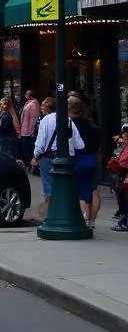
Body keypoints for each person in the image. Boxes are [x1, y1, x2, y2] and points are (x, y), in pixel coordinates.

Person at [31, 96, 85, 223]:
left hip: (48, 157)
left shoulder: (45, 120)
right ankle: (64, 214)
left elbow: (40, 142)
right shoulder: (68, 120)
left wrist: (35, 156)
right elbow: (80, 144)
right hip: (66, 159)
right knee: (65, 186)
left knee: (49, 187)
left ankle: (51, 216)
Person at [68, 96, 101, 228]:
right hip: (91, 158)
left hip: (79, 158)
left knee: (77, 191)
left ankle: (81, 221)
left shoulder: (71, 123)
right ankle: (91, 221)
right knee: (92, 190)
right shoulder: (89, 122)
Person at [108, 127, 128, 231]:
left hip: (124, 176)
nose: (122, 141)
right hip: (122, 175)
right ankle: (124, 219)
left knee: (124, 199)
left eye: (125, 139)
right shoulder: (124, 149)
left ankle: (125, 221)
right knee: (123, 198)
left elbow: (123, 163)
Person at [19, 90, 40, 168]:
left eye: (26, 94)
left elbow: (33, 119)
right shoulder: (29, 103)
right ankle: (29, 164)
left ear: (30, 95)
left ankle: (30, 165)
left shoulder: (33, 104)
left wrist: (32, 131)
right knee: (25, 149)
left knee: (28, 149)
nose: (25, 95)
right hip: (25, 131)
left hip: (28, 132)